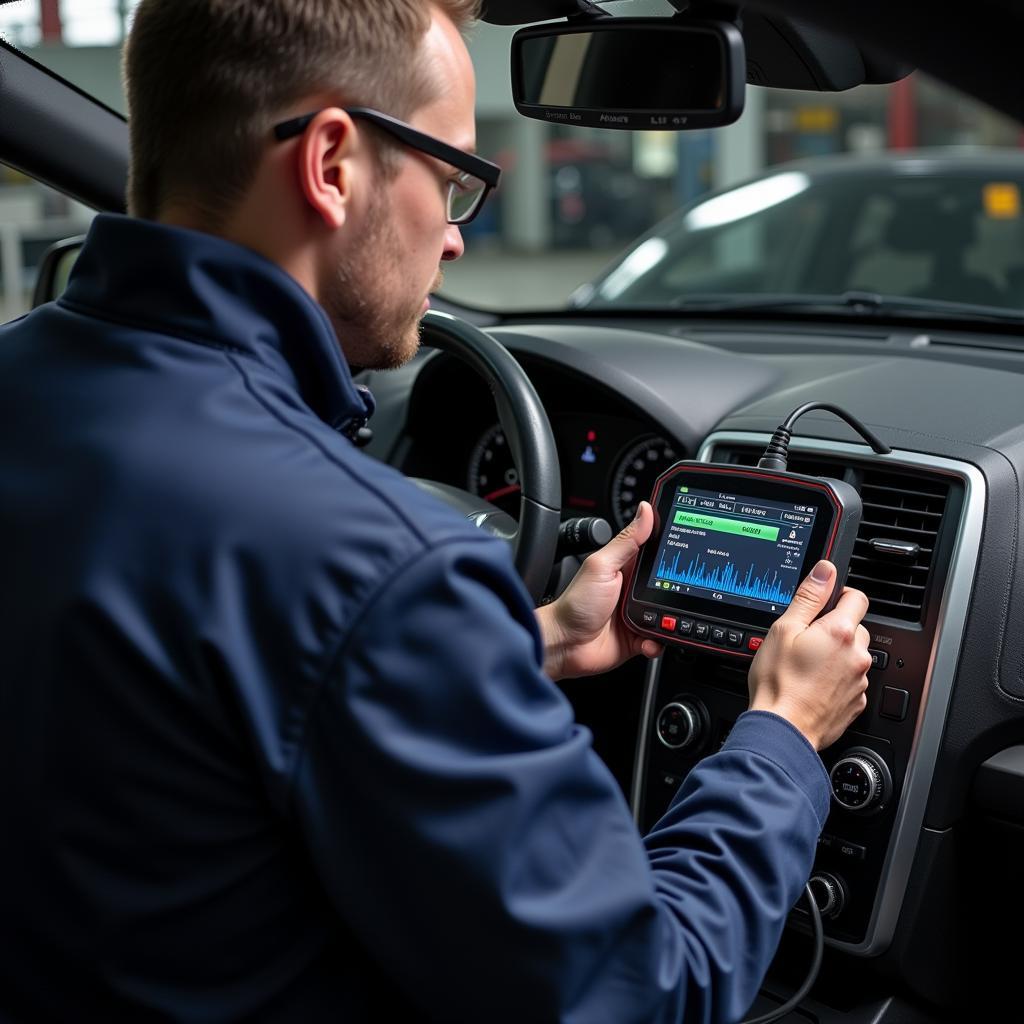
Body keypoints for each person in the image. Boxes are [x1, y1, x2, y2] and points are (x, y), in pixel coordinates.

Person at [0, 1, 872, 1021]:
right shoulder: (381, 567)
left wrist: (524, 644)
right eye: (455, 179)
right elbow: (645, 992)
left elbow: (187, 697)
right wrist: (780, 734)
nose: (457, 237)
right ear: (332, 163)